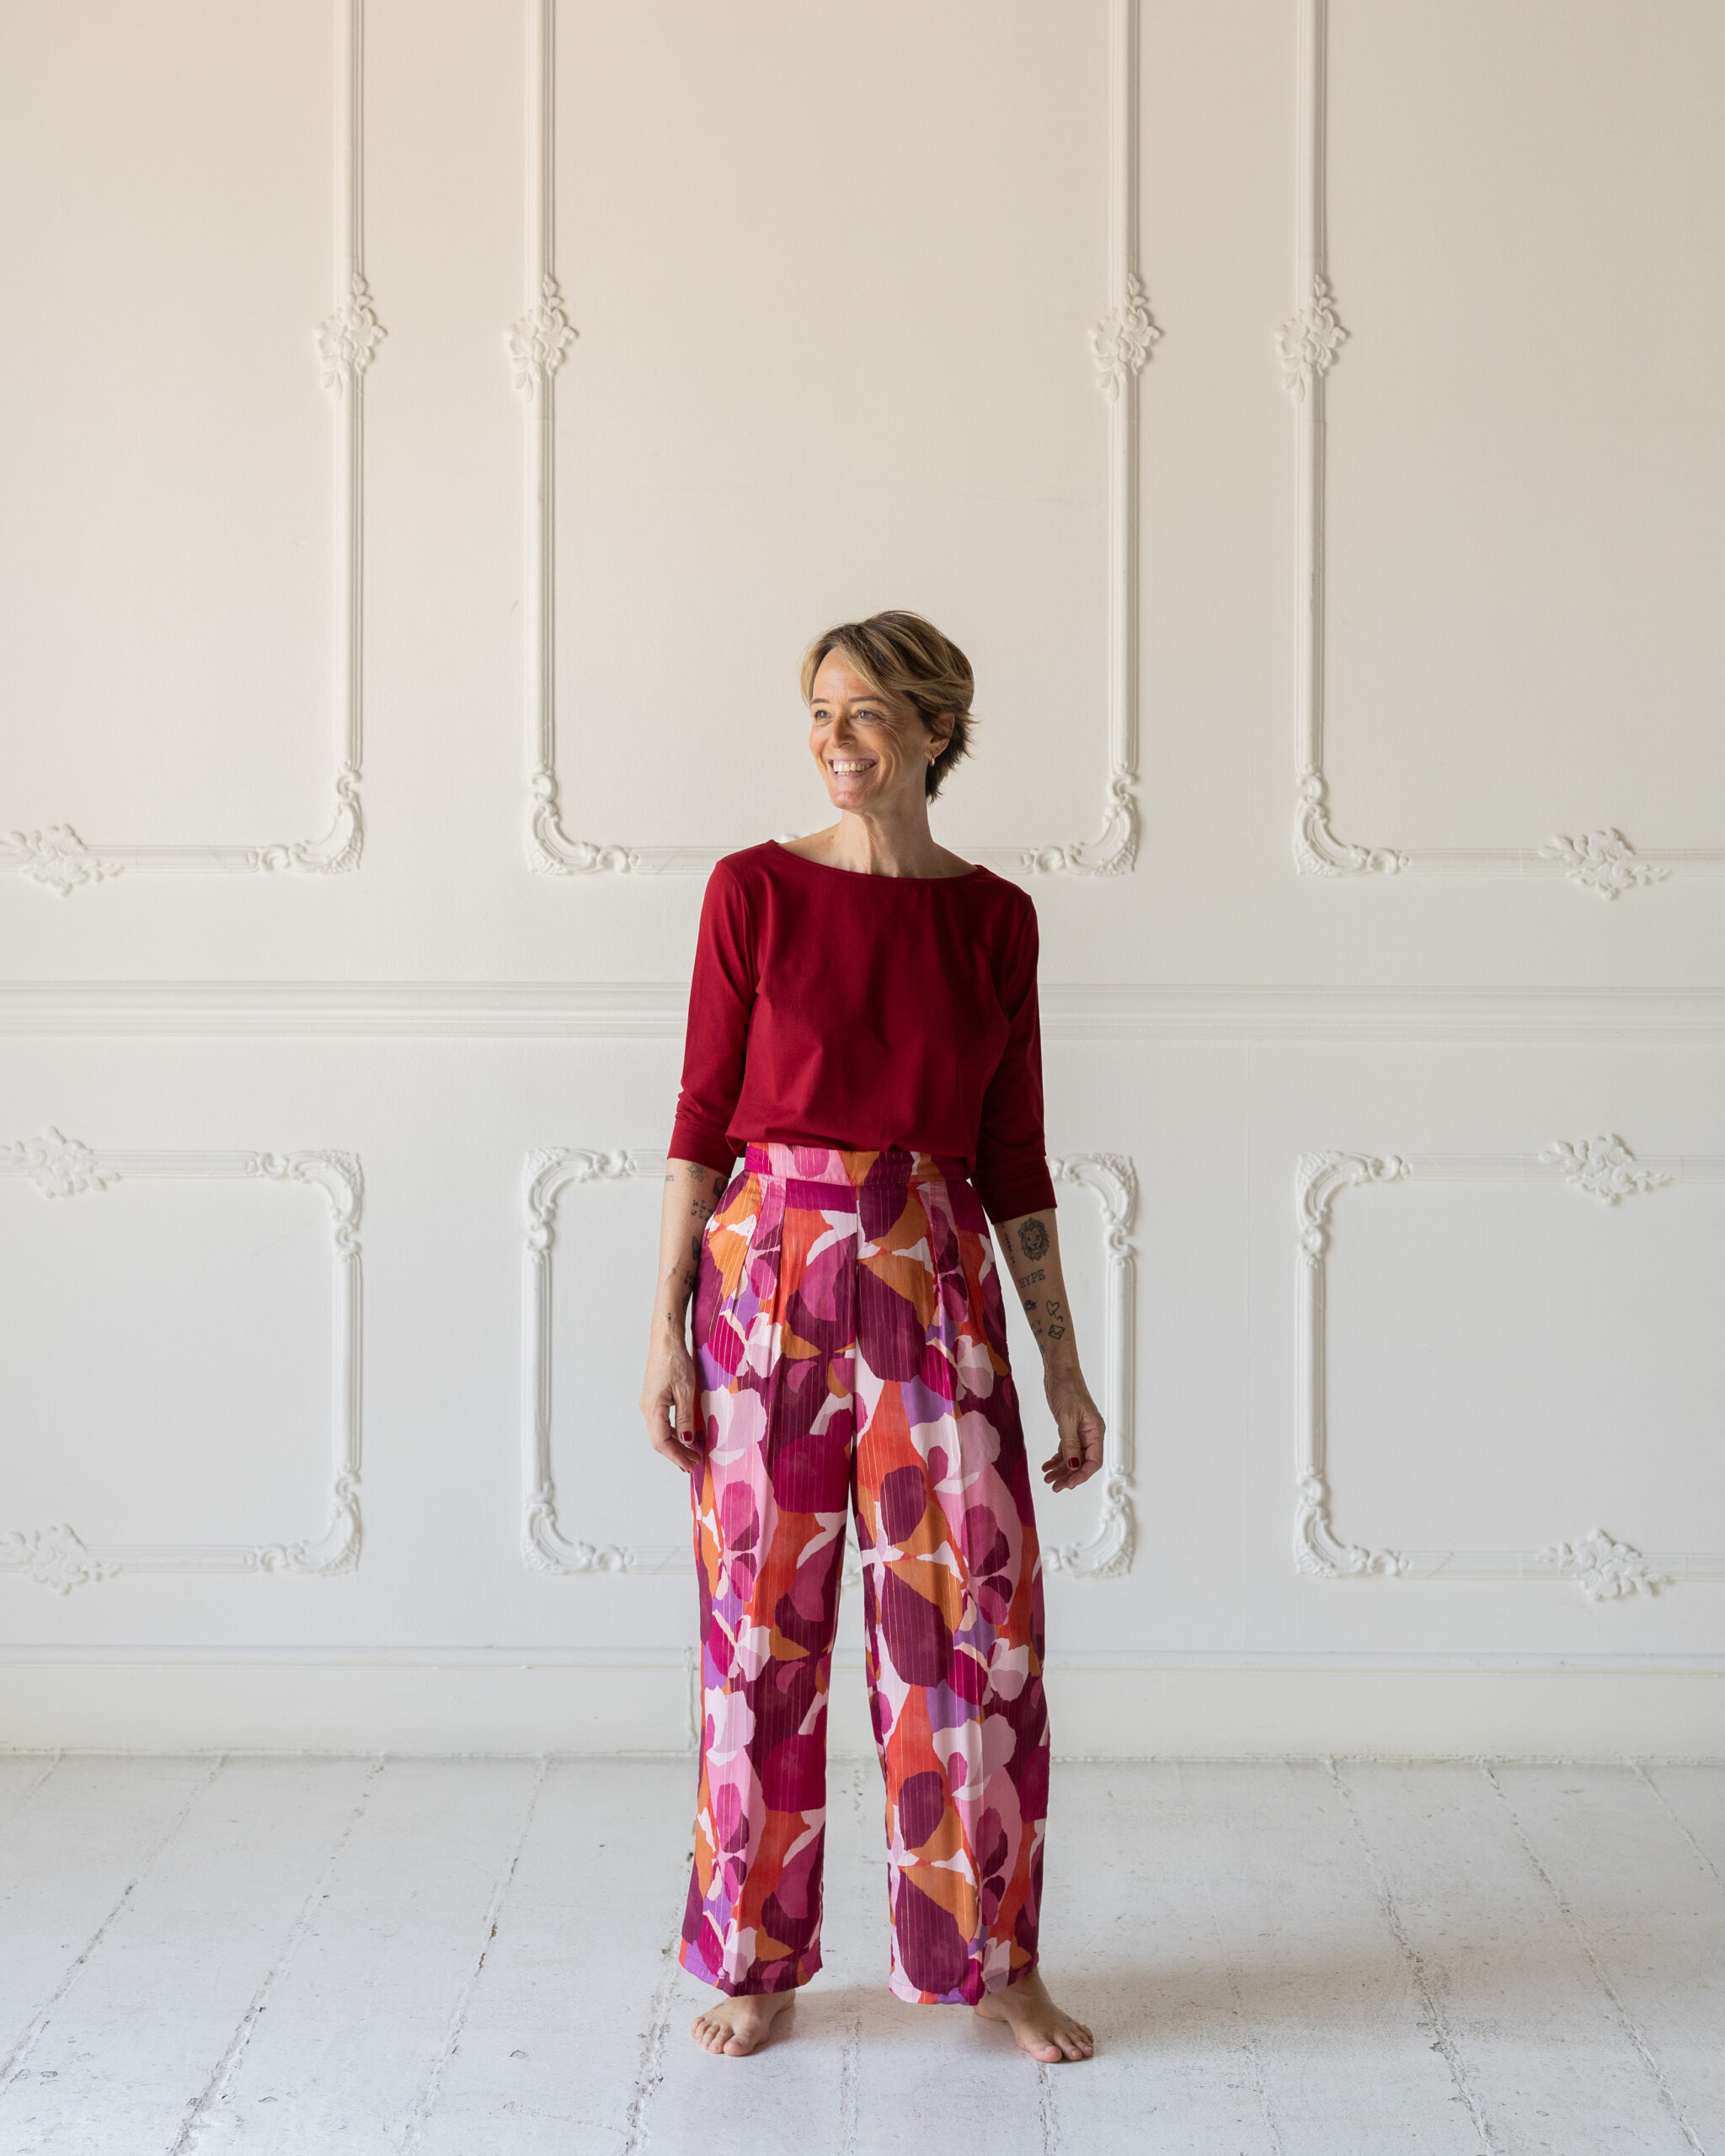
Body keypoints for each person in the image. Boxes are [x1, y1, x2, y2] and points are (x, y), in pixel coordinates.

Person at [639, 611, 1103, 2064]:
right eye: (819, 715)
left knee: (972, 1632)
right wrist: (664, 1329)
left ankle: (992, 1962)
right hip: (766, 1270)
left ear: (934, 729)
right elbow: (700, 1118)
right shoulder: (753, 892)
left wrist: (1063, 1365)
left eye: (864, 715)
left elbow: (1015, 1152)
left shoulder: (994, 920)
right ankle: (755, 1958)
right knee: (759, 1632)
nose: (834, 743)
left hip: (937, 1268)